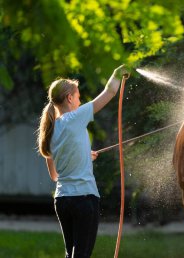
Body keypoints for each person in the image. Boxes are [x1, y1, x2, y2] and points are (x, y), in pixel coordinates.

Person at [37, 64, 128, 258]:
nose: (80, 101)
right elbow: (110, 91)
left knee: (71, 254)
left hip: (62, 200)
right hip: (84, 199)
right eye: (78, 97)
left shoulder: (50, 130)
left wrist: (83, 156)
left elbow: (55, 176)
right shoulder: (75, 118)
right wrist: (117, 73)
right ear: (69, 98)